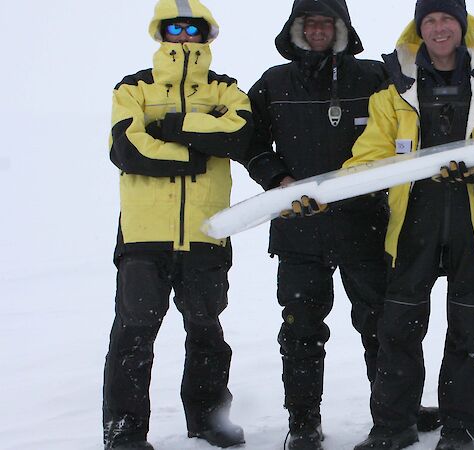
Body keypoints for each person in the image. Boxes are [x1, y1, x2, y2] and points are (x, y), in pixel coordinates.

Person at [245, 1, 440, 448]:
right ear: (296, 29)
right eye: (308, 23)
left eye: (325, 23)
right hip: (299, 229)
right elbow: (250, 141)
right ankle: (303, 422)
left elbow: (412, 114)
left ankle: (397, 413)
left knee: (382, 325)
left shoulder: (372, 76)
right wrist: (278, 178)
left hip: (364, 225)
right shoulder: (274, 83)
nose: (317, 31)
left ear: (341, 28)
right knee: (300, 329)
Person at [343, 1, 474, 449]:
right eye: (430, 21)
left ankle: (461, 429)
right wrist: (329, 190)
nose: (439, 28)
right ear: (419, 29)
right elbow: (369, 155)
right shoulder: (395, 90)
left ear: (462, 27)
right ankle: (394, 426)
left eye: (447, 19)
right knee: (398, 330)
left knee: (468, 332)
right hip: (412, 227)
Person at [102, 0, 254, 448]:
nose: (184, 34)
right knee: (133, 335)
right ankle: (125, 431)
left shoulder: (227, 88)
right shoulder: (133, 88)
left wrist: (168, 126)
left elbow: (240, 135)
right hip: (144, 236)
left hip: (207, 232)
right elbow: (127, 149)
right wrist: (194, 150)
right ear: (161, 33)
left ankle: (208, 419)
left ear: (207, 34)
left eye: (193, 27)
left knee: (207, 330)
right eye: (175, 27)